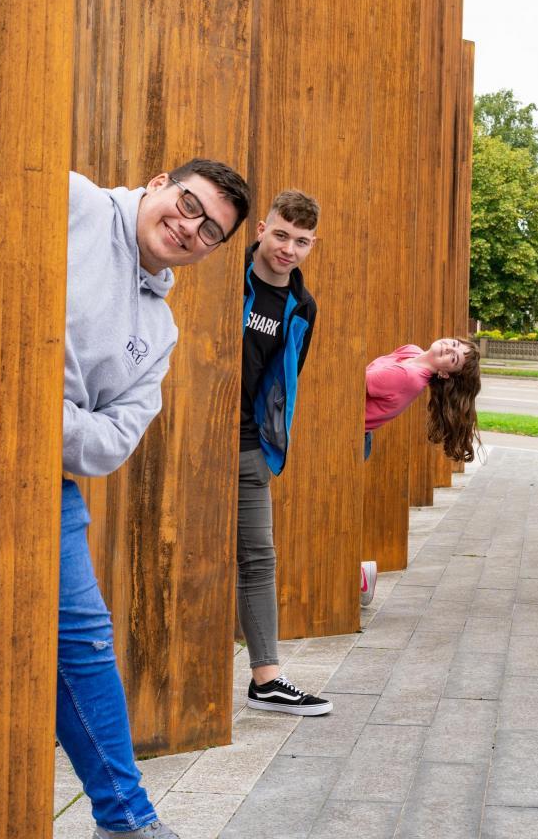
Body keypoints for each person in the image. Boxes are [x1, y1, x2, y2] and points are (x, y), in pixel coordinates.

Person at [63, 159, 251, 839]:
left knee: (82, 641)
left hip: (40, 481)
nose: (188, 226)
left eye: (208, 231)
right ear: (156, 184)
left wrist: (40, 414)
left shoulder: (160, 331)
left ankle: (126, 821)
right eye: (187, 202)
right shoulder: (72, 201)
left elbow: (111, 443)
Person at [238, 189, 331, 717]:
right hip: (193, 445)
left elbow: (287, 378)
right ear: (260, 231)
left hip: (250, 445)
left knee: (259, 557)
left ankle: (266, 679)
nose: (288, 249)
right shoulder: (228, 279)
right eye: (280, 234)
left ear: (311, 244)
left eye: (301, 241)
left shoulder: (302, 307)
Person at [361, 337, 482, 604]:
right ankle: (358, 574)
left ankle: (356, 575)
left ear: (444, 373)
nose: (448, 349)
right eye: (452, 344)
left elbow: (347, 381)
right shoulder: (410, 352)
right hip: (354, 436)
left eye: (453, 358)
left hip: (350, 441)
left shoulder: (408, 376)